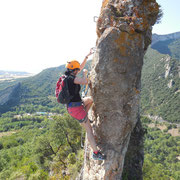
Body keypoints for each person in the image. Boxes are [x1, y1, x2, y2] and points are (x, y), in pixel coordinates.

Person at [65, 49, 106, 161]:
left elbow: (80, 67)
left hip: (75, 105)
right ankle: (96, 153)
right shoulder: (72, 79)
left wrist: (86, 57)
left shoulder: (68, 76)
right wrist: (84, 74)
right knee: (89, 130)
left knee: (90, 99)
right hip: (76, 108)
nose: (79, 70)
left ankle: (85, 117)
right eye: (77, 69)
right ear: (75, 70)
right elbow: (85, 81)